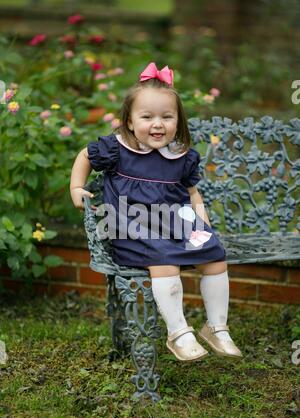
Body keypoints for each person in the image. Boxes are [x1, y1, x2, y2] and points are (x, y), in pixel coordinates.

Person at [70, 62, 242, 363]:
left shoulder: (180, 155)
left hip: (174, 223)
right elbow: (85, 155)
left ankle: (216, 326)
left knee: (214, 253)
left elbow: (191, 193)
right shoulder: (117, 149)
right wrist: (76, 187)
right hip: (130, 228)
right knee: (162, 258)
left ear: (178, 121)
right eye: (147, 117)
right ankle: (178, 332)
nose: (158, 124)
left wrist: (202, 223)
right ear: (130, 121)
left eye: (167, 116)